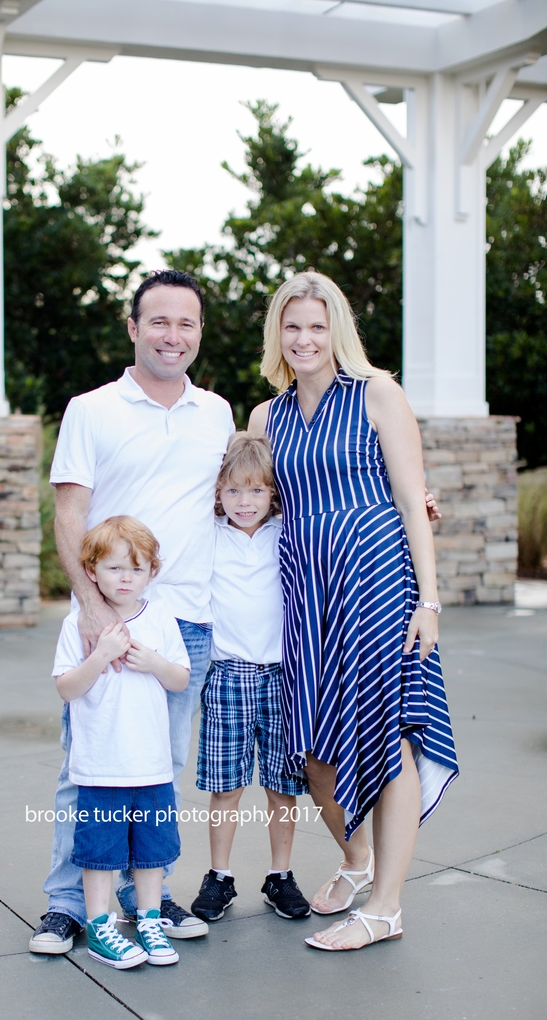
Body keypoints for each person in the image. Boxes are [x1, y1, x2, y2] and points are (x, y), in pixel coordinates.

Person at [249, 271, 458, 952]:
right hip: (305, 595)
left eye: (317, 326)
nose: (305, 339)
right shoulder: (265, 417)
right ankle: (357, 860)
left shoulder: (376, 394)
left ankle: (387, 907)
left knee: (389, 739)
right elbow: (243, 500)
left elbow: (410, 497)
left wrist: (428, 600)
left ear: (336, 331)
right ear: (277, 333)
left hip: (377, 587)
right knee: (314, 753)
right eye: (293, 326)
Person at [29, 270, 234, 955]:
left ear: (199, 334)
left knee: (157, 766)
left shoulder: (217, 413)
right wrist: (90, 608)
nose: (172, 335)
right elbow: (69, 512)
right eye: (159, 322)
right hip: (114, 619)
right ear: (133, 327)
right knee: (88, 767)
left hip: (187, 625)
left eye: (187, 324)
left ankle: (145, 898)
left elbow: (245, 499)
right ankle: (65, 906)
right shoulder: (92, 409)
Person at [53, 516, 191, 968]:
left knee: (152, 851)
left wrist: (153, 662)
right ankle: (99, 927)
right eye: (114, 569)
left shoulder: (162, 620)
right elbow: (67, 688)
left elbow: (180, 679)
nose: (126, 578)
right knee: (101, 852)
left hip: (150, 765)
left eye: (137, 568)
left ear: (152, 571)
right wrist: (101, 656)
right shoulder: (79, 623)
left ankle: (149, 920)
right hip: (100, 766)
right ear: (92, 572)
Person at [191, 433, 310, 924]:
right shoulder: (206, 534)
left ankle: (279, 876)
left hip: (282, 675)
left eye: (257, 491)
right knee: (227, 786)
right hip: (227, 675)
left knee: (283, 785)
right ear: (218, 492)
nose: (245, 502)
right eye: (235, 491)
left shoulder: (288, 531)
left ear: (273, 494)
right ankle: (219, 876)